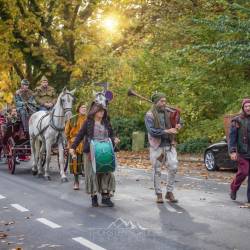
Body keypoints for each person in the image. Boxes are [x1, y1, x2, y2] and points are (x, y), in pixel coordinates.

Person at [70, 103, 119, 207]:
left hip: (105, 151)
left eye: (103, 110)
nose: (102, 112)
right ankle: (94, 197)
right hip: (91, 151)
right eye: (100, 110)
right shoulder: (88, 122)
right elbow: (80, 135)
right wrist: (72, 147)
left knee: (106, 172)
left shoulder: (106, 122)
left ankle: (106, 197)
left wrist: (115, 139)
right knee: (93, 174)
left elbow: (111, 134)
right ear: (94, 111)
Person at [145, 92, 182, 203]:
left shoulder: (169, 112)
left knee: (174, 167)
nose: (164, 103)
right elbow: (152, 131)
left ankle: (169, 192)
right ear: (156, 102)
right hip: (157, 146)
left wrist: (179, 125)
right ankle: (159, 194)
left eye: (165, 101)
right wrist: (167, 130)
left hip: (169, 144)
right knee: (157, 170)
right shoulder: (149, 115)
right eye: (162, 101)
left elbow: (179, 120)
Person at [229, 98, 250, 204]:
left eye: (249, 106)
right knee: (244, 172)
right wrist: (232, 151)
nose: (248, 108)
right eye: (246, 106)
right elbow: (232, 137)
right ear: (243, 108)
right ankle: (233, 188)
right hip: (242, 152)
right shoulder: (237, 120)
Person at [65, 102, 87, 190]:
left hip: (86, 143)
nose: (84, 109)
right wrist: (69, 143)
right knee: (75, 163)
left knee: (87, 163)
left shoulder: (89, 119)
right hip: (75, 143)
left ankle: (89, 180)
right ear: (78, 109)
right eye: (82, 107)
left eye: (85, 107)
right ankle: (76, 181)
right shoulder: (72, 119)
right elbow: (67, 132)